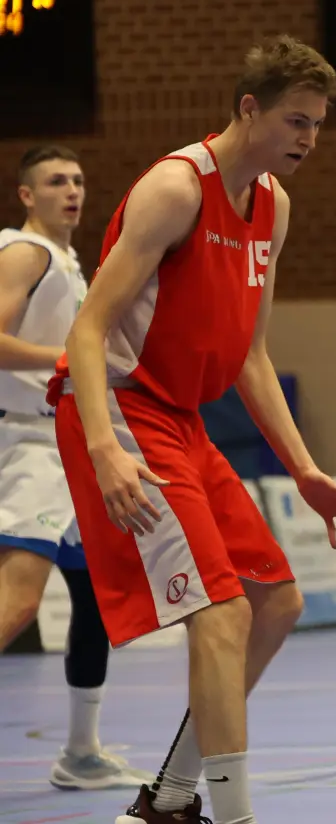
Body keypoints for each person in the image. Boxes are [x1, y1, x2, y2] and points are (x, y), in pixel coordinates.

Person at [48, 35, 336, 824]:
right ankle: (233, 817)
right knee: (220, 614)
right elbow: (86, 332)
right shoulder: (175, 188)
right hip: (123, 409)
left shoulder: (274, 208)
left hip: (183, 420)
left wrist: (306, 469)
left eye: (318, 124)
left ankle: (173, 797)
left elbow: (252, 354)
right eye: (296, 120)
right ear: (248, 108)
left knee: (277, 601)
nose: (308, 139)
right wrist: (104, 446)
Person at [0, 145, 154, 791]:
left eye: (80, 180)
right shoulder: (24, 251)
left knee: (95, 601)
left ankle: (81, 753)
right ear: (26, 195)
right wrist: (68, 358)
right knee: (17, 602)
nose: (73, 190)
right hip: (31, 448)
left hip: (71, 454)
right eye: (56, 181)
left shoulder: (70, 262)